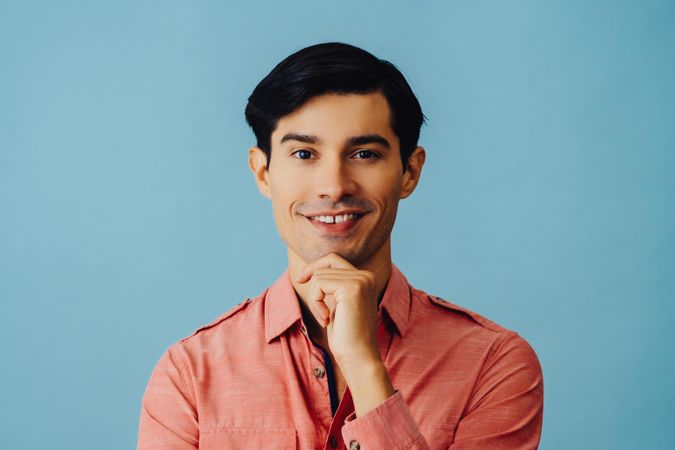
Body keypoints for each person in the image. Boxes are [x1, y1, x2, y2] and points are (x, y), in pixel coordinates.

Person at [137, 42, 544, 450]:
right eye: (304, 153)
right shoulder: (189, 373)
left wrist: (365, 369)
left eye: (364, 153)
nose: (334, 185)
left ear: (409, 172)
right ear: (263, 173)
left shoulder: (493, 363)